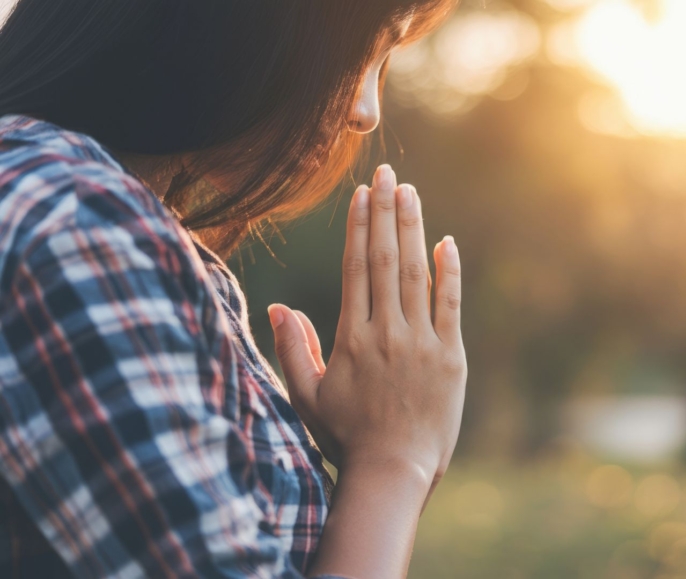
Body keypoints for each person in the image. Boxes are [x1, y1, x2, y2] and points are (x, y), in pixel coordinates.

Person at [0, 1, 466, 577]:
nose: (366, 110)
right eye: (367, 47)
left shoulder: (88, 215)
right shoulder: (73, 222)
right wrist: (395, 461)